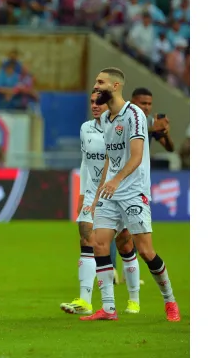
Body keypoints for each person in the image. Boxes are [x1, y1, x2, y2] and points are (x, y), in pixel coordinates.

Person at [82, 68, 180, 322]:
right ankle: (108, 308)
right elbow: (109, 159)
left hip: (134, 191)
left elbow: (136, 156)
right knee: (99, 242)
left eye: (100, 82)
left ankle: (169, 300)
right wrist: (97, 195)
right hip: (110, 192)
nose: (96, 86)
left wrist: (116, 180)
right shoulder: (106, 120)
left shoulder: (133, 114)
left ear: (115, 86)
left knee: (146, 251)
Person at [60, 90, 141, 316]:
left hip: (117, 192)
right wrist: (83, 195)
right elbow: (85, 162)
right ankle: (85, 300)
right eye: (92, 102)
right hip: (91, 193)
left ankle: (134, 298)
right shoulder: (85, 128)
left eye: (99, 102)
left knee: (125, 243)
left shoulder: (119, 128)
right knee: (86, 238)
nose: (95, 106)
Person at [130, 87, 175, 152]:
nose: (147, 108)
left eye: (149, 104)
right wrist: (151, 129)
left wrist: (166, 133)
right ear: (132, 103)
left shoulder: (151, 121)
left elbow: (170, 149)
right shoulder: (123, 118)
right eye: (143, 103)